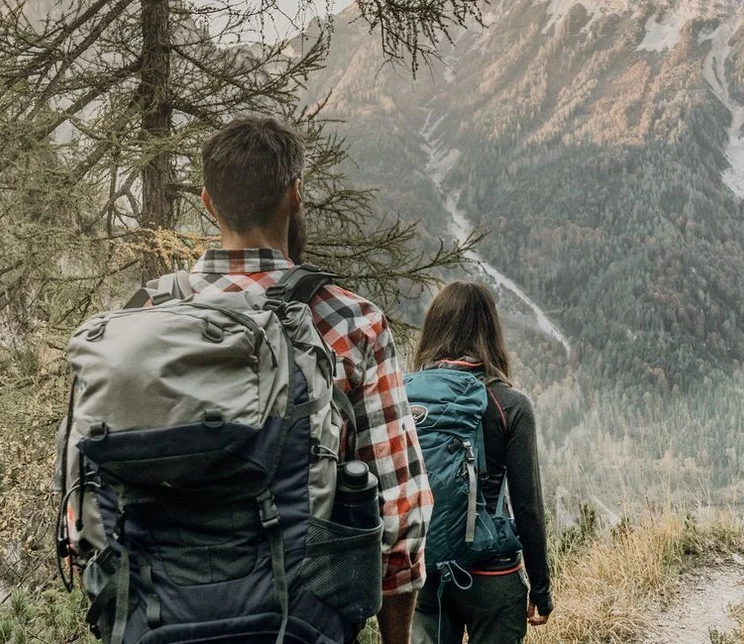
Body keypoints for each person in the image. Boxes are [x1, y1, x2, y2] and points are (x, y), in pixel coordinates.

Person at [191, 116, 433, 644]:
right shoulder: (349, 322)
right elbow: (400, 513)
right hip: (295, 621)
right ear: (295, 196)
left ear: (208, 203)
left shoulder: (144, 313)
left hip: (160, 616)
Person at [410, 281, 554, 644]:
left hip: (426, 572)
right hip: (491, 575)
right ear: (491, 332)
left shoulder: (405, 396)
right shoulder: (510, 404)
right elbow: (528, 508)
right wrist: (541, 589)